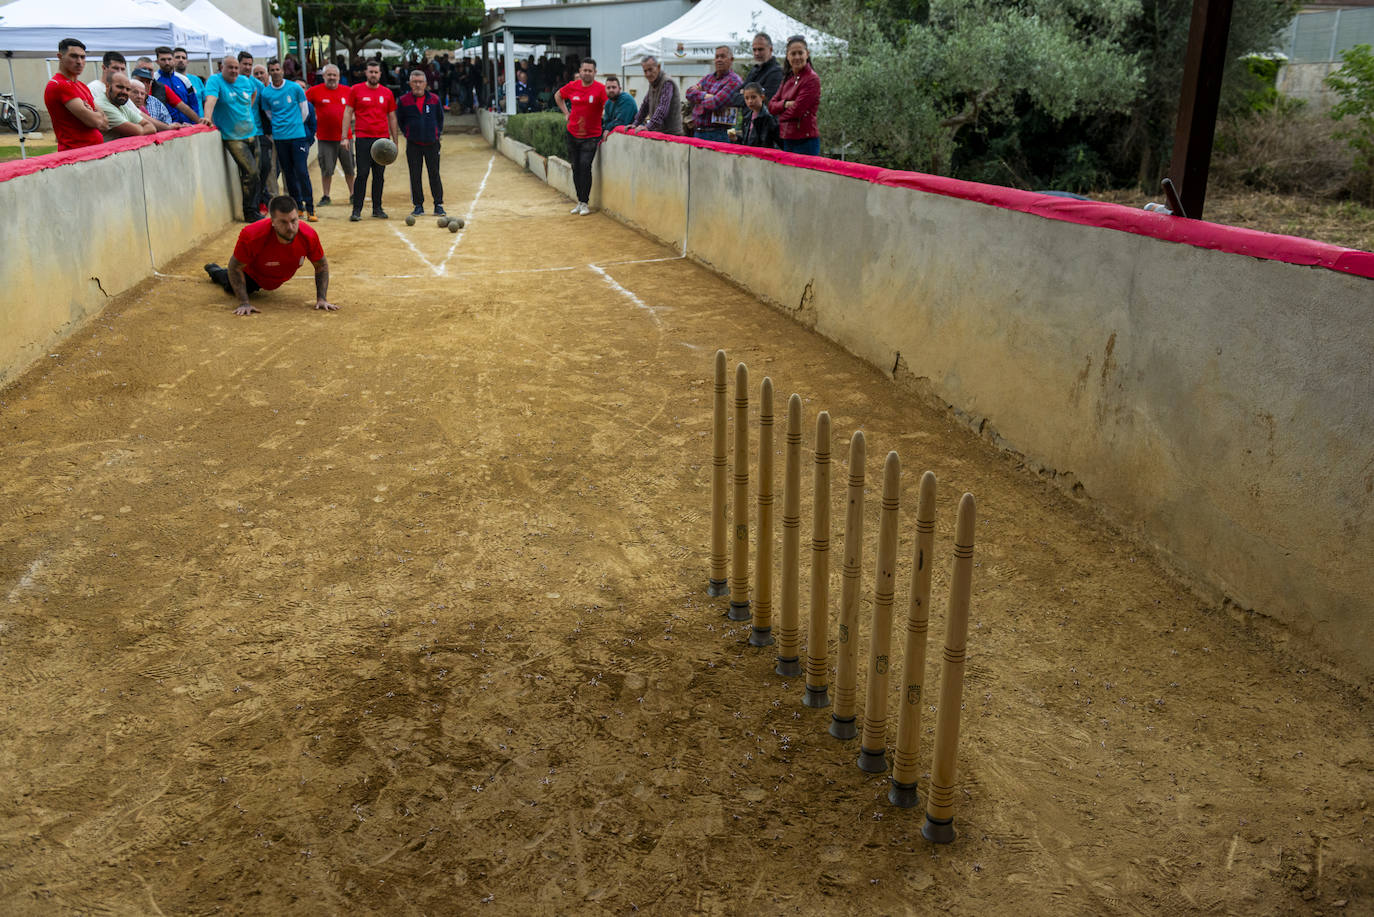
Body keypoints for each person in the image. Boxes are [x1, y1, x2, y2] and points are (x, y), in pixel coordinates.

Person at [203, 195, 335, 316]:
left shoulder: (308, 235)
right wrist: (244, 303)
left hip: (277, 275)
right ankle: (215, 271)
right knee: (228, 282)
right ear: (272, 221)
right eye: (283, 222)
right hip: (252, 276)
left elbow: (321, 265)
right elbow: (235, 266)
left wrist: (322, 299)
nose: (290, 227)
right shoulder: (252, 235)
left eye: (294, 220)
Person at [203, 55, 263, 223]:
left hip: (252, 132)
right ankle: (249, 212)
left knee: (257, 174)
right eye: (230, 67)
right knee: (250, 173)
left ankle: (255, 208)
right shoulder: (215, 81)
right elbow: (211, 99)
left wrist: (247, 110)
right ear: (222, 67)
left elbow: (254, 92)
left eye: (236, 67)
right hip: (233, 137)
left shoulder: (245, 80)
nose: (234, 71)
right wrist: (207, 117)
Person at [259, 59, 316, 222]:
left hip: (297, 137)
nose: (275, 72)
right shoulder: (266, 93)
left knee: (301, 172)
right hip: (280, 138)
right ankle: (298, 207)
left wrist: (295, 124)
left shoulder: (295, 88)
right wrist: (280, 126)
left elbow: (304, 112)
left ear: (282, 71)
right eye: (272, 70)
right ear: (269, 73)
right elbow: (269, 114)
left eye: (278, 69)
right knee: (288, 174)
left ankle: (310, 208)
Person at [344, 59, 399, 221]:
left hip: (382, 140)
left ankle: (377, 208)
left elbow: (392, 117)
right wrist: (344, 136)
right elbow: (348, 113)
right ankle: (357, 210)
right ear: (366, 73)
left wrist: (395, 140)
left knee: (379, 175)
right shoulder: (356, 90)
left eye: (376, 72)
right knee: (362, 174)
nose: (373, 75)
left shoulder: (387, 93)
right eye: (370, 72)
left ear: (380, 74)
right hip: (363, 138)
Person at [554, 58, 607, 215]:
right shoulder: (573, 86)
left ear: (595, 72)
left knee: (585, 166)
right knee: (575, 167)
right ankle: (579, 201)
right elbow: (558, 96)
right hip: (572, 133)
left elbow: (608, 105)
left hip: (592, 135)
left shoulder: (600, 89)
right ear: (580, 71)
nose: (587, 73)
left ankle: (585, 202)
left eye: (590, 71)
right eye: (584, 70)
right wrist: (566, 113)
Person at [396, 69, 445, 217]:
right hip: (413, 144)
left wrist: (436, 133)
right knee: (415, 175)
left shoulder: (435, 99)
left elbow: (440, 119)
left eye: (420, 82)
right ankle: (418, 205)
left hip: (432, 143)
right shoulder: (403, 100)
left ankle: (438, 205)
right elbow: (401, 121)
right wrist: (408, 133)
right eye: (415, 82)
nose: (418, 84)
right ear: (410, 83)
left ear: (425, 83)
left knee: (434, 174)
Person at [44, 39, 107, 151]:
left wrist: (93, 114)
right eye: (74, 56)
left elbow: (105, 122)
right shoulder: (60, 85)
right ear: (60, 56)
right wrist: (94, 114)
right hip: (76, 155)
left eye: (82, 57)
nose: (79, 61)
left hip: (92, 151)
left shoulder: (81, 85)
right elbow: (96, 121)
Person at [306, 65, 355, 205]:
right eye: (329, 75)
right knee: (326, 169)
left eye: (334, 75)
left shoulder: (348, 91)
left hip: (345, 138)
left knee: (349, 167)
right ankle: (326, 196)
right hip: (325, 138)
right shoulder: (314, 91)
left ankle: (353, 194)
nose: (332, 77)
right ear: (324, 76)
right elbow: (303, 106)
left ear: (339, 77)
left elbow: (356, 109)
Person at [769, 36, 821, 156]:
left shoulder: (812, 79)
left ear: (807, 54)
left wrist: (779, 116)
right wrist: (785, 104)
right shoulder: (788, 78)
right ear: (788, 56)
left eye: (800, 53)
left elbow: (797, 111)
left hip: (806, 140)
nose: (797, 57)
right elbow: (771, 106)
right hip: (787, 138)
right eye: (793, 53)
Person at [684, 46, 742, 142]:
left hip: (717, 134)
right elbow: (688, 93)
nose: (719, 60)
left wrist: (698, 97)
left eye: (722, 56)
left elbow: (715, 103)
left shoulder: (734, 81)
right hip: (698, 132)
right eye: (717, 57)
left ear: (731, 60)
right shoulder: (708, 77)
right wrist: (705, 95)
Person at [729, 33, 784, 108]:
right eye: (754, 50)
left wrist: (744, 94)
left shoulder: (776, 72)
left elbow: (766, 101)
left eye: (760, 49)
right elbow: (734, 98)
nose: (757, 53)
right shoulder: (754, 70)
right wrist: (754, 96)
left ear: (770, 49)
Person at [629, 56, 681, 135]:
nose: (648, 74)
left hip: (671, 134)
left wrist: (648, 127)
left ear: (658, 67)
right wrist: (635, 123)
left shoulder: (667, 82)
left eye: (650, 70)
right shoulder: (652, 83)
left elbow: (662, 108)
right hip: (658, 132)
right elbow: (645, 105)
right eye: (645, 71)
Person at [155, 47, 208, 124]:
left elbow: (193, 104)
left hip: (188, 126)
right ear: (157, 61)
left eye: (169, 59)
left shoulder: (184, 80)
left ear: (173, 60)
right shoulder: (153, 80)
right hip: (166, 129)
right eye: (163, 60)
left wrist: (194, 124)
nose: (167, 62)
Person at [94, 72, 154, 139]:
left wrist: (138, 131)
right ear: (107, 86)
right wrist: (139, 130)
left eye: (128, 89)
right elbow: (137, 131)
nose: (124, 92)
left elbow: (151, 127)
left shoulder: (120, 104)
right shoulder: (102, 105)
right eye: (120, 87)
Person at [730, 82, 780, 148]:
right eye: (747, 98)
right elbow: (746, 141)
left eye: (753, 97)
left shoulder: (768, 118)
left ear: (762, 97)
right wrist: (736, 138)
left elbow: (768, 142)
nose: (750, 101)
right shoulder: (747, 117)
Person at [172, 48, 207, 116]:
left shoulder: (196, 80)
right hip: (181, 124)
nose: (181, 60)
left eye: (183, 58)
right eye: (177, 57)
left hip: (200, 122)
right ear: (172, 60)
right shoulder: (169, 81)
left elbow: (205, 101)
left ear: (187, 61)